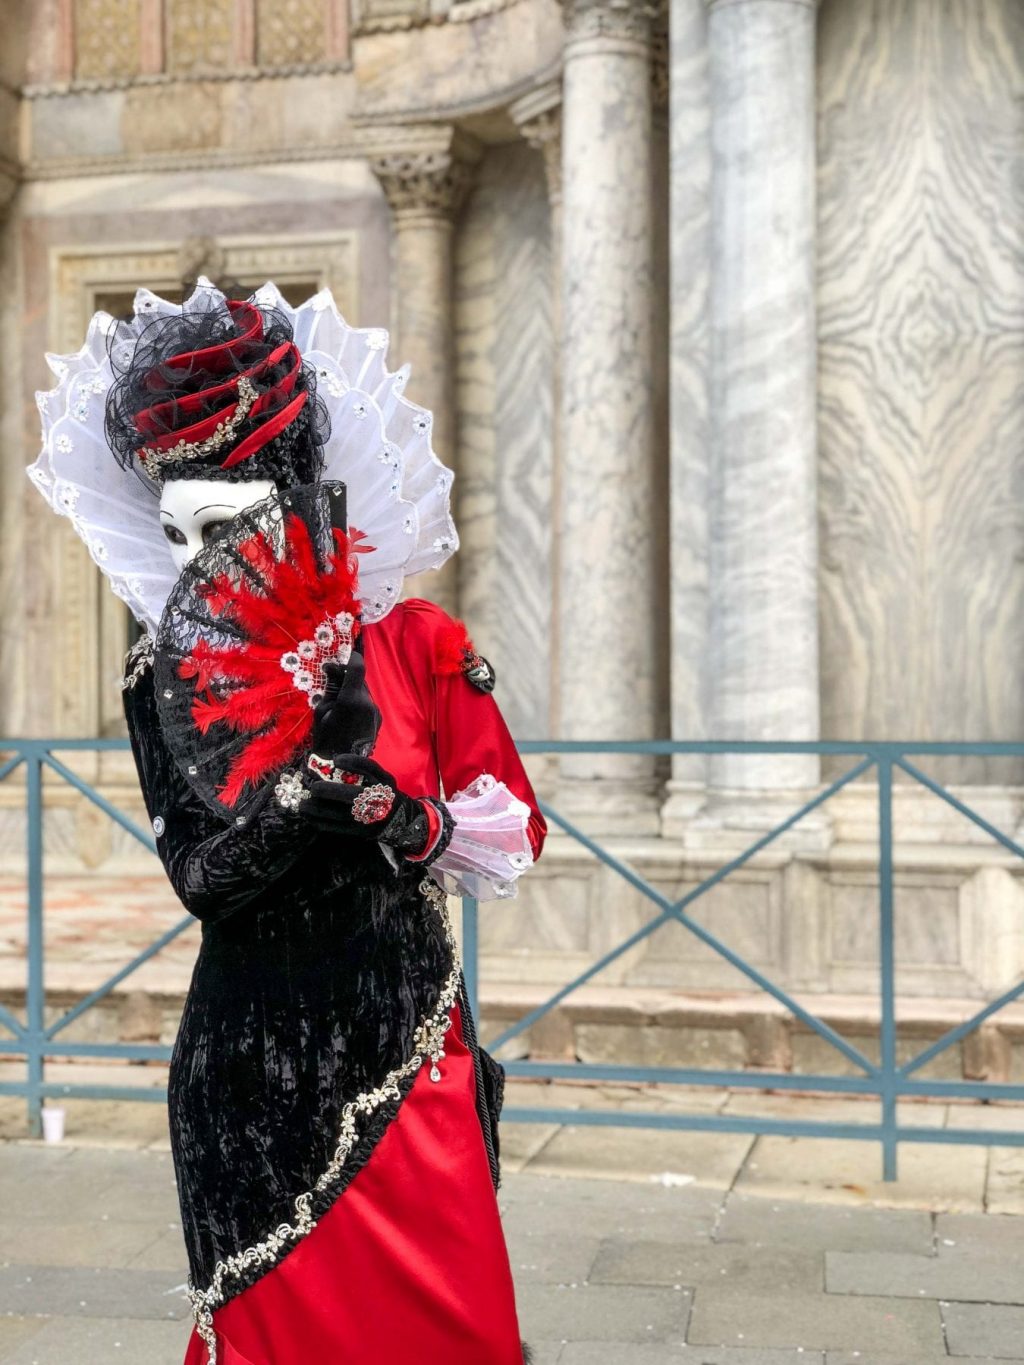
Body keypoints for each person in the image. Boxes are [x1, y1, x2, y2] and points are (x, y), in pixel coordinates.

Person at [28, 280, 545, 1364]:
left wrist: (398, 816)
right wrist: (301, 808)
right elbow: (201, 881)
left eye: (214, 526)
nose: (189, 564)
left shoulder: (415, 641)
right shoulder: (156, 672)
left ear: (295, 490)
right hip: (247, 1066)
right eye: (170, 530)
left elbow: (513, 832)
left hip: (402, 1047)